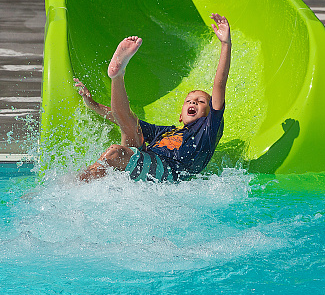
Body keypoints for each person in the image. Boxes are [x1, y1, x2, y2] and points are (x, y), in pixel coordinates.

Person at [74, 13, 231, 182]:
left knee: (115, 153)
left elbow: (219, 85)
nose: (193, 102)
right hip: (148, 162)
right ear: (180, 116)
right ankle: (118, 76)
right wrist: (92, 105)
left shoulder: (207, 129)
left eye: (201, 102)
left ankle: (77, 183)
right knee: (132, 125)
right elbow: (121, 118)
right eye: (189, 101)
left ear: (210, 111)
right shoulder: (166, 132)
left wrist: (225, 44)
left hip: (170, 173)